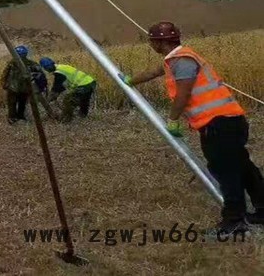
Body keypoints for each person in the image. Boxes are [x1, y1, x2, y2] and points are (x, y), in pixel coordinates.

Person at [121, 21, 264, 237]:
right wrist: (131, 80)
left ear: (160, 42)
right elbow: (153, 72)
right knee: (243, 167)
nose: (150, 44)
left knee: (226, 171)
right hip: (229, 120)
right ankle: (262, 211)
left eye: (152, 40)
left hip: (218, 123)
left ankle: (235, 221)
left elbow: (183, 93)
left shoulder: (183, 61)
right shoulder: (176, 59)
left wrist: (173, 119)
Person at [0, 46, 47, 124]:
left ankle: (15, 118)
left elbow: (5, 74)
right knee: (18, 103)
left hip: (17, 87)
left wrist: (4, 83)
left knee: (16, 103)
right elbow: (41, 75)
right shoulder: (15, 63)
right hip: (19, 88)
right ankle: (16, 117)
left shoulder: (13, 63)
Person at [40, 57, 96, 122]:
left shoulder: (59, 73)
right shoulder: (61, 67)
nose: (48, 68)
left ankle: (66, 119)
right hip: (90, 82)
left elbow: (56, 88)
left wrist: (50, 98)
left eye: (48, 67)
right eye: (47, 67)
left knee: (68, 101)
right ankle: (83, 115)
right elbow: (62, 86)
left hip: (84, 85)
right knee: (84, 100)